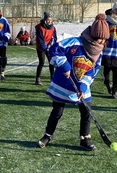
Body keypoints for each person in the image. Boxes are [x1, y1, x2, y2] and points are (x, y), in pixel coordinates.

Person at [37, 13, 110, 151]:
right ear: (93, 36)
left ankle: (85, 138)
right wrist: (64, 65)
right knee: (57, 112)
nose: (101, 42)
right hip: (63, 85)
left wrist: (83, 86)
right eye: (99, 38)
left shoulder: (98, 52)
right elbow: (54, 49)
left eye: (104, 39)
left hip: (82, 86)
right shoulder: (75, 42)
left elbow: (93, 70)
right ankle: (47, 135)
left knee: (86, 112)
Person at [34, 11, 57, 85]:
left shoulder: (53, 28)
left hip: (49, 46)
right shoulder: (40, 27)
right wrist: (44, 47)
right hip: (41, 47)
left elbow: (54, 38)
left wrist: (52, 44)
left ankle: (52, 78)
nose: (49, 22)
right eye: (48, 20)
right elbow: (40, 39)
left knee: (51, 62)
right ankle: (37, 78)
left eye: (51, 20)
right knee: (42, 62)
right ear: (45, 20)